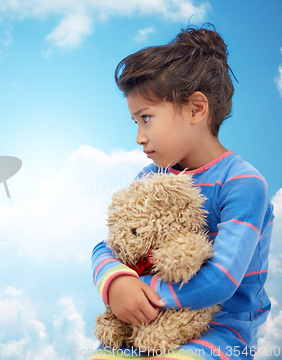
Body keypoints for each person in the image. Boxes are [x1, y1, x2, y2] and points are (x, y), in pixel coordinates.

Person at [89, 25, 274, 360]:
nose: (139, 137)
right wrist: (116, 283)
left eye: (146, 118)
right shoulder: (150, 178)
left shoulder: (243, 184)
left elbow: (221, 279)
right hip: (148, 325)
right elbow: (109, 245)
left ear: (195, 109)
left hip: (221, 329)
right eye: (135, 123)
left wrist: (141, 291)